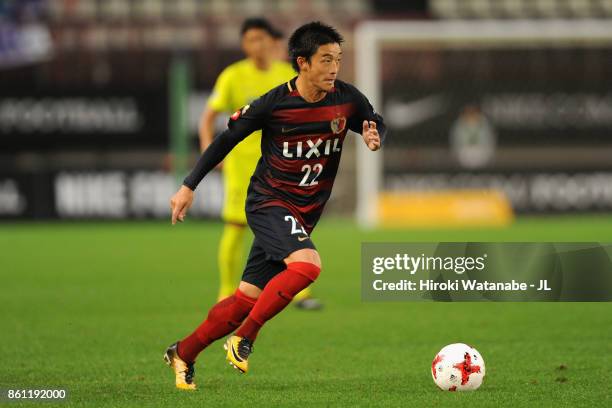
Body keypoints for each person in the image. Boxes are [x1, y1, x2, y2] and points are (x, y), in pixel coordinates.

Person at [164, 21, 385, 390]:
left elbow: (371, 119)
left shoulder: (347, 98)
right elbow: (225, 140)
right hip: (268, 202)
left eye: (338, 59)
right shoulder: (274, 103)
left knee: (243, 300)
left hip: (305, 211)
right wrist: (189, 185)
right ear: (303, 63)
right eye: (326, 60)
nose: (334, 68)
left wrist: (374, 131)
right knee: (308, 266)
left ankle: (183, 352)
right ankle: (245, 338)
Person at [200, 17, 321, 309]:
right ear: (244, 44)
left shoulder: (285, 73)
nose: (257, 45)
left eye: (261, 39)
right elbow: (208, 117)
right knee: (235, 227)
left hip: (282, 165)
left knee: (291, 226)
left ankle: (299, 294)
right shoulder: (233, 75)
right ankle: (226, 292)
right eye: (250, 39)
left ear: (271, 41)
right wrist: (210, 152)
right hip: (242, 166)